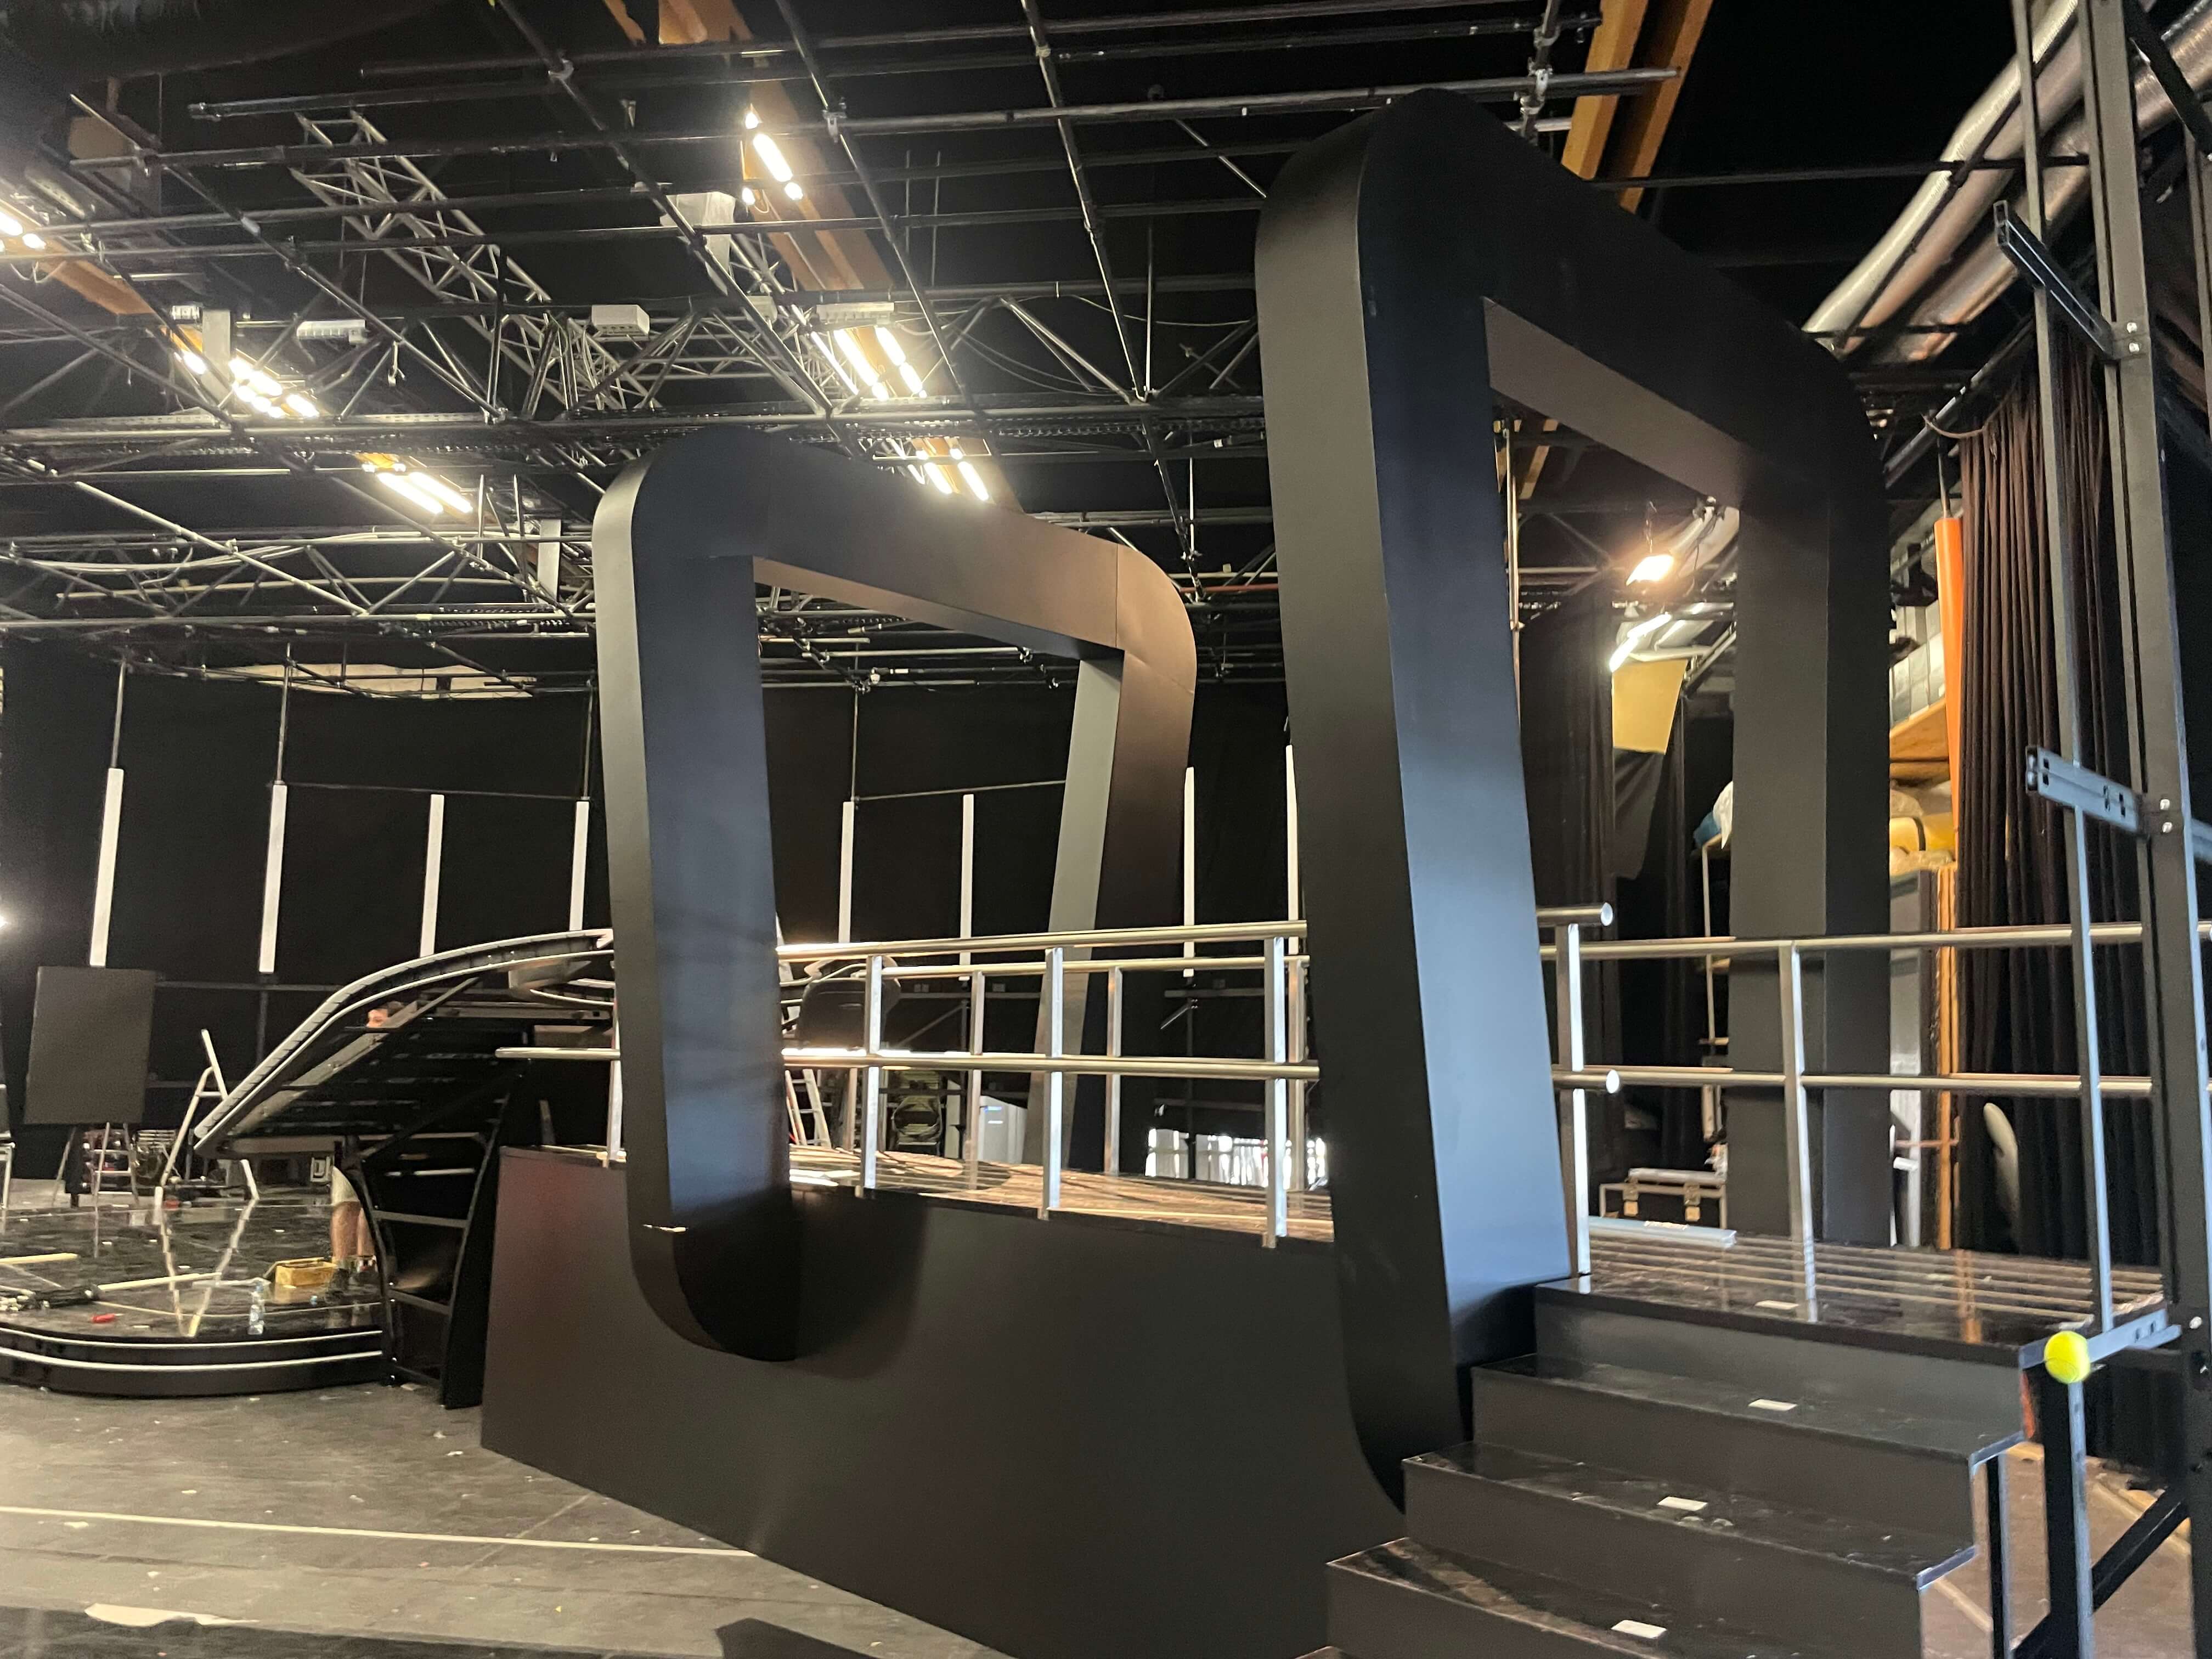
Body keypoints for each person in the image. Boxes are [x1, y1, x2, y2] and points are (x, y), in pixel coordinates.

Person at [329, 1160, 375, 1282]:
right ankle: (365, 1267)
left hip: (348, 1154)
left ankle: (343, 1269)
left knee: (346, 1201)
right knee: (369, 1202)